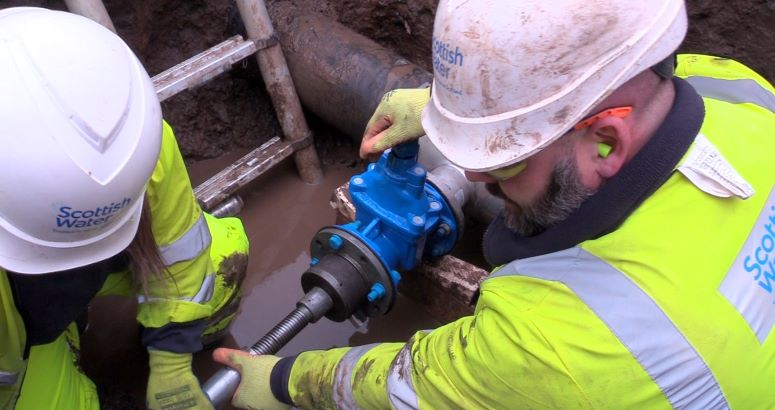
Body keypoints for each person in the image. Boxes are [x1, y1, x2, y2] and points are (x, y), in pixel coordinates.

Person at [213, 0, 775, 408]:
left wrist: (284, 381)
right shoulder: (741, 93)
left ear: (606, 142)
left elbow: (403, 384)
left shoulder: (554, 339)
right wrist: (442, 114)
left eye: (505, 160)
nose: (475, 174)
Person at [0, 7, 249, 410]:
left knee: (223, 260)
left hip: (95, 270)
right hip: (10, 335)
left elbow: (182, 259)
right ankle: (60, 343)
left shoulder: (134, 145)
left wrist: (171, 360)